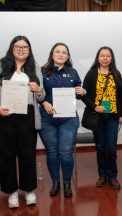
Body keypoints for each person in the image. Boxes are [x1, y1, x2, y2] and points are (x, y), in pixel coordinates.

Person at [0, 36, 46, 209]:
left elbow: (42, 96)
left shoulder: (36, 67)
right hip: (4, 116)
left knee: (27, 154)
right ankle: (11, 193)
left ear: (29, 49)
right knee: (6, 155)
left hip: (27, 116)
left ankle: (29, 191)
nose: (21, 49)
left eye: (25, 47)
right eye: (17, 46)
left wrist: (39, 90)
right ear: (12, 48)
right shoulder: (1, 65)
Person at [38, 42, 86, 198]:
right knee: (52, 152)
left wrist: (82, 91)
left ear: (68, 56)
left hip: (68, 119)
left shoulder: (73, 72)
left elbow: (78, 93)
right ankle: (55, 183)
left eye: (64, 52)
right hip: (47, 118)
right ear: (52, 54)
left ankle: (66, 183)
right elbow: (36, 93)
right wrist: (44, 102)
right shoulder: (42, 72)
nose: (60, 54)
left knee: (66, 153)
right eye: (57, 51)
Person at [81, 46, 122, 190]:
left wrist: (121, 115)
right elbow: (84, 95)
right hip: (97, 117)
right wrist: (94, 106)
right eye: (102, 55)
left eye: (108, 56)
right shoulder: (92, 73)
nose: (105, 58)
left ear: (111, 58)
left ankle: (112, 176)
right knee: (100, 147)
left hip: (112, 116)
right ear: (98, 57)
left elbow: (120, 97)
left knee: (111, 149)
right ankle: (102, 175)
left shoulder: (116, 74)